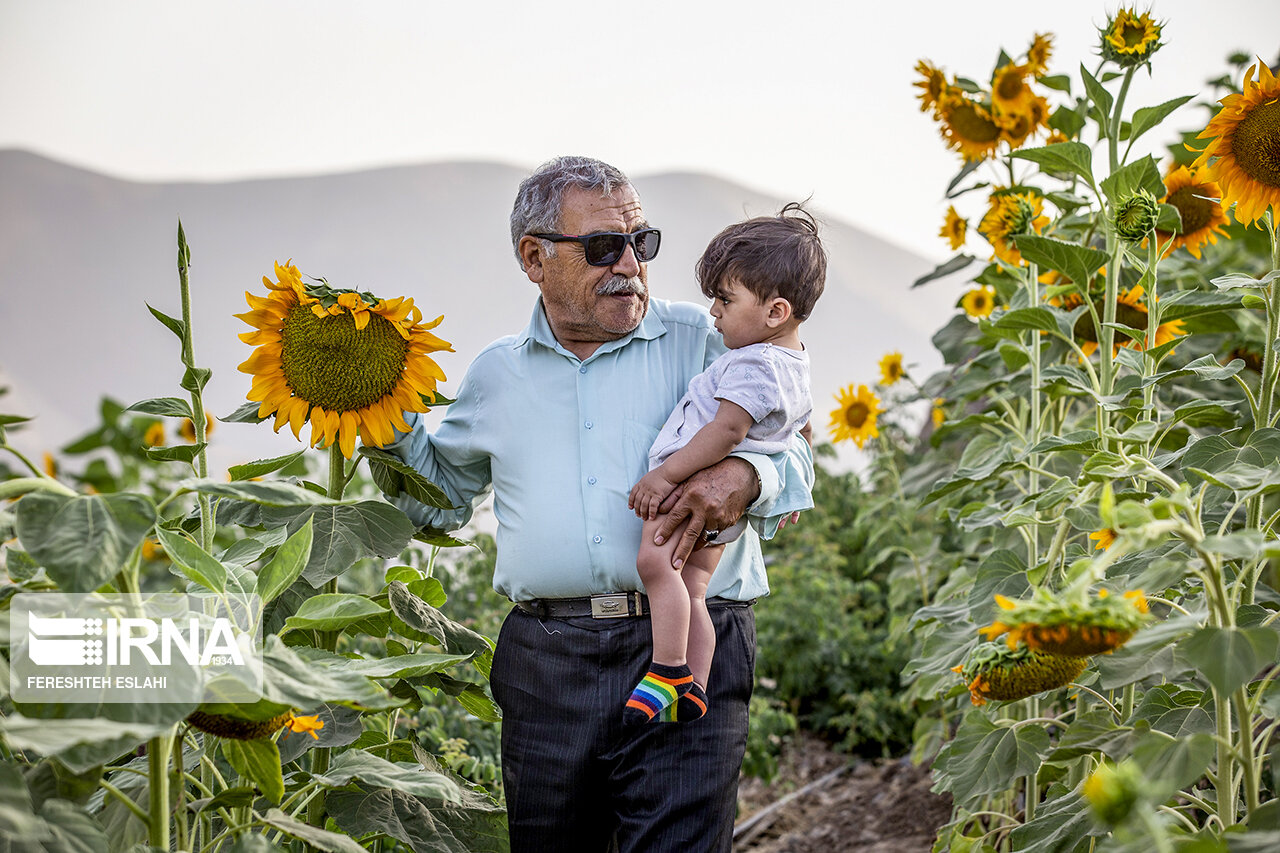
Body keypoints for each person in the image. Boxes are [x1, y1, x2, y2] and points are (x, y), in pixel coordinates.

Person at [382, 155, 813, 853]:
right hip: (550, 659)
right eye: (603, 247)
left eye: (640, 243)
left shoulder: (709, 340)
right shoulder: (498, 373)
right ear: (534, 256)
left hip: (694, 641)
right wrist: (382, 413)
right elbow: (437, 505)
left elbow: (798, 453)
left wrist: (748, 479)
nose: (630, 265)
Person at [624, 204, 823, 728]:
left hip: (690, 491)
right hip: (726, 514)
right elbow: (800, 433)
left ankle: (667, 670)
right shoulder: (795, 363)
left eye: (725, 299)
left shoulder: (754, 363)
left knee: (656, 568)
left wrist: (665, 475)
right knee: (693, 590)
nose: (713, 311)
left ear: (775, 311)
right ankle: (696, 685)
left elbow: (727, 430)